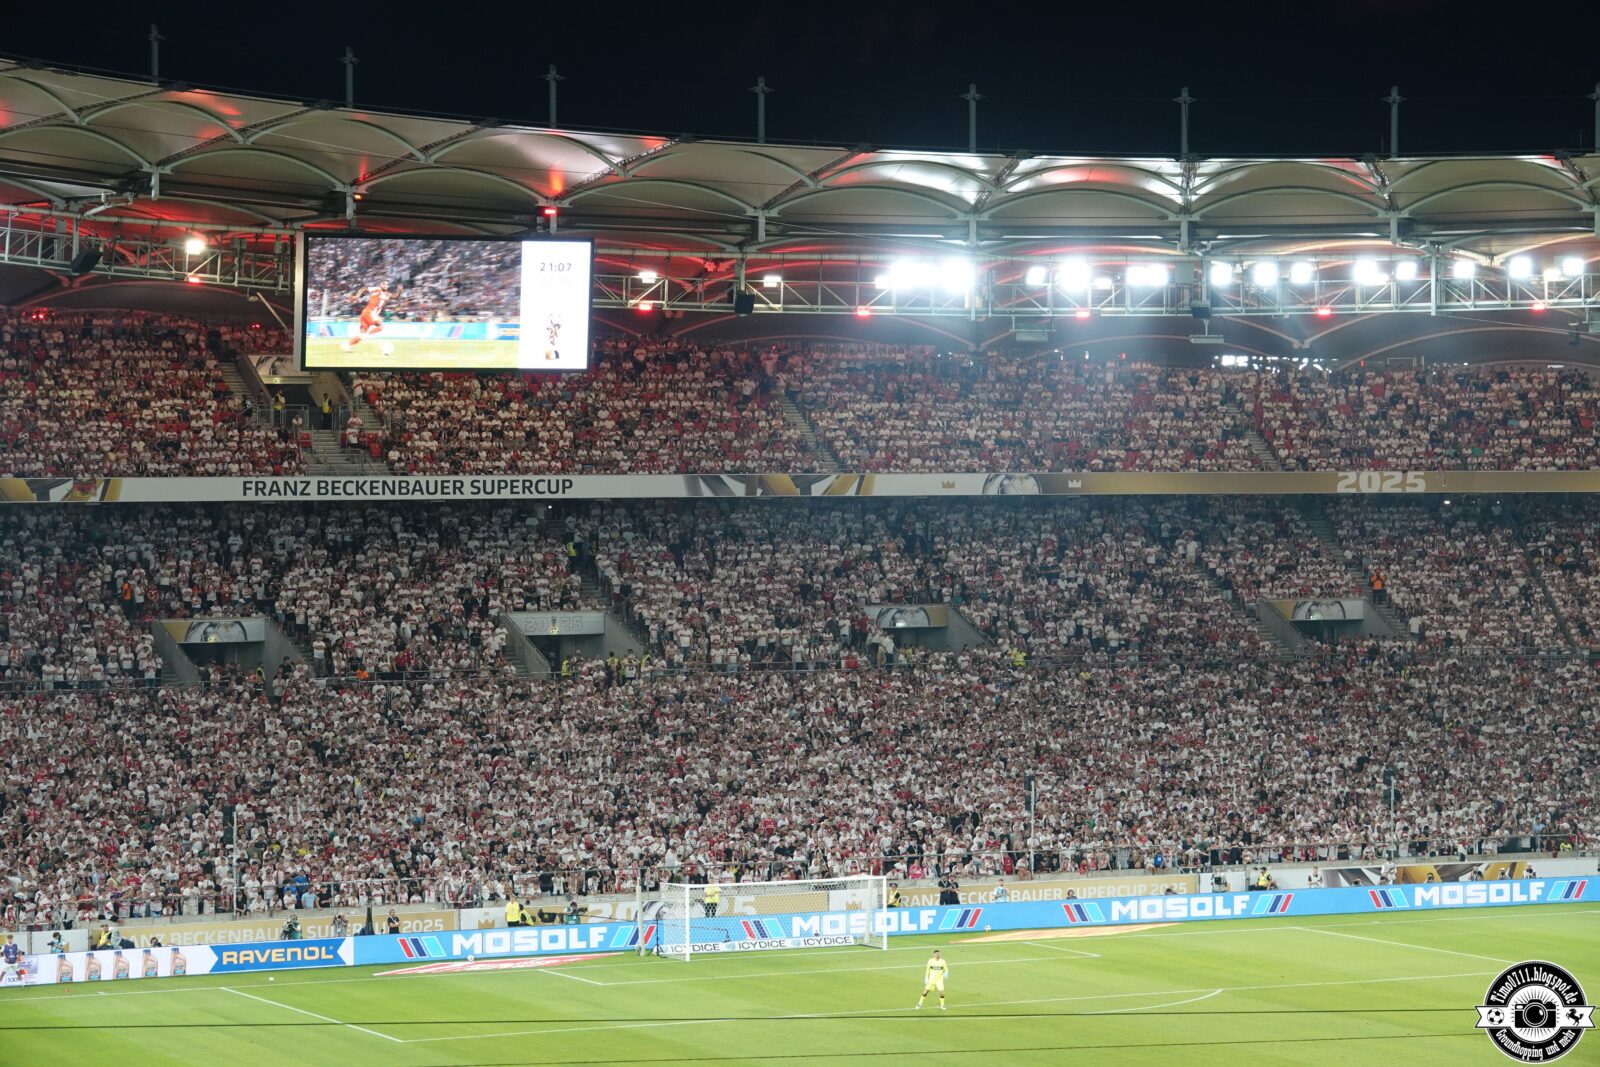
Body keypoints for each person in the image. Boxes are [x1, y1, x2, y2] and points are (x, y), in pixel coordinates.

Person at [340, 283, 396, 352]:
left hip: (366, 313)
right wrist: (357, 296)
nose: (385, 285)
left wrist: (400, 290)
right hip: (370, 313)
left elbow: (396, 297)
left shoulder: (387, 294)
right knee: (380, 326)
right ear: (381, 285)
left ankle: (347, 345)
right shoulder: (377, 289)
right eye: (383, 284)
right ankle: (367, 335)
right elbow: (364, 288)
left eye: (387, 284)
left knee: (361, 336)